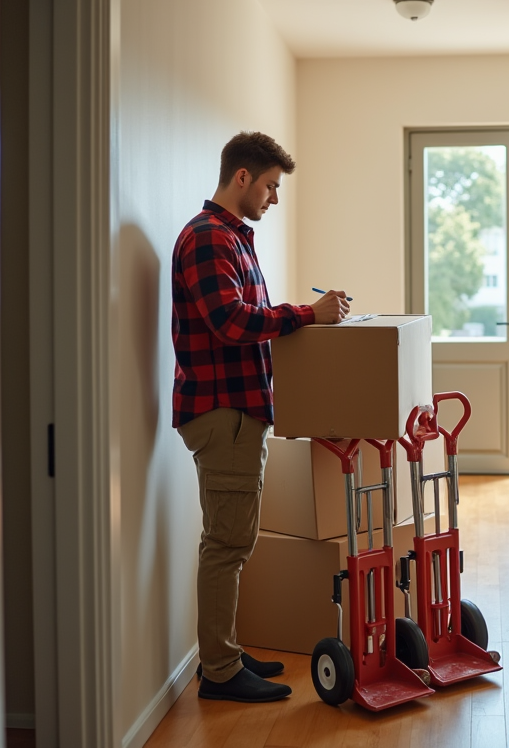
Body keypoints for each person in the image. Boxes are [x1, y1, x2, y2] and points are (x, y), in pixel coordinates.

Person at [171, 131, 349, 703]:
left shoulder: (232, 239)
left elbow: (247, 318)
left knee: (234, 538)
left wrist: (301, 318)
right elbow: (230, 320)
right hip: (222, 413)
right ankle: (219, 672)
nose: (275, 198)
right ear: (242, 177)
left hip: (239, 411)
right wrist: (306, 314)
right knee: (227, 542)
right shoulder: (207, 239)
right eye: (271, 186)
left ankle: (223, 651)